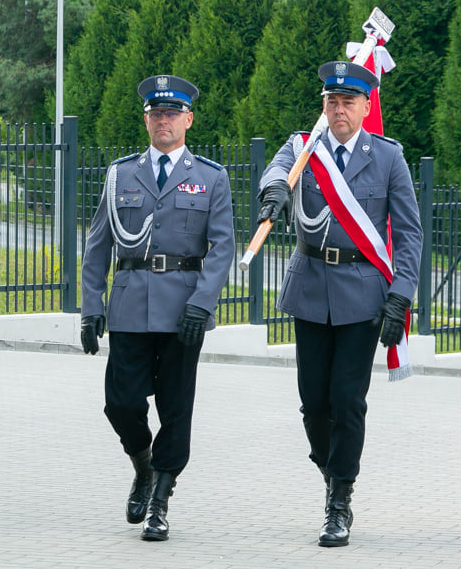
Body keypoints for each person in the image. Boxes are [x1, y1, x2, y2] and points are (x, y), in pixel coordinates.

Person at [257, 60, 423, 547]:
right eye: (331, 101)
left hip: (362, 293)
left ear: (365, 107)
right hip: (310, 286)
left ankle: (339, 500)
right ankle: (332, 472)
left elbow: (409, 233)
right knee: (314, 403)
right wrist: (273, 196)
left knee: (348, 400)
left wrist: (401, 295)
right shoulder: (304, 148)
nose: (339, 109)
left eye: (348, 102)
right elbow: (275, 173)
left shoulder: (388, 157)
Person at [80, 74, 235, 542]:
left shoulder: (210, 177)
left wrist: (201, 304)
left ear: (188, 119)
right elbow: (97, 246)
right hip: (129, 306)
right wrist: (91, 308)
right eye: (155, 113)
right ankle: (143, 465)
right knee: (120, 403)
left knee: (176, 408)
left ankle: (161, 500)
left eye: (171, 113)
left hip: (182, 311)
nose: (162, 120)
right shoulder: (121, 174)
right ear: (146, 119)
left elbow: (223, 246)